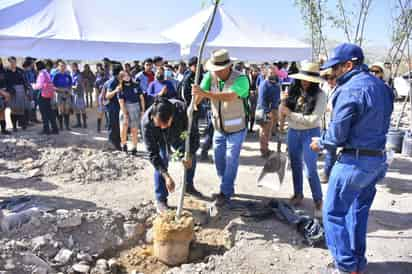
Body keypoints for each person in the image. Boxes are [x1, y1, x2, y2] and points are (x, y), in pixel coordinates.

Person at [311, 43, 394, 274]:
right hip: (377, 160)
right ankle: (357, 262)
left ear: (348, 65)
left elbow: (337, 135)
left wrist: (321, 142)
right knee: (357, 211)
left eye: (334, 68)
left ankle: (347, 267)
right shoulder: (383, 86)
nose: (331, 74)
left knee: (333, 213)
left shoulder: (349, 90)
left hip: (354, 162)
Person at [192, 49, 250, 206]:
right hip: (219, 128)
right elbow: (199, 95)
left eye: (219, 70)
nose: (215, 73)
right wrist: (194, 103)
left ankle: (225, 192)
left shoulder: (241, 79)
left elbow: (230, 96)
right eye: (214, 69)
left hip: (237, 129)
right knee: (218, 160)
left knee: (231, 159)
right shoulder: (210, 76)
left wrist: (206, 93)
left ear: (228, 67)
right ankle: (227, 183)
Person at [279, 62, 326, 214]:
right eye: (302, 78)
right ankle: (298, 194)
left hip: (311, 134)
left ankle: (318, 200)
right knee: (296, 165)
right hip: (293, 132)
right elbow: (283, 112)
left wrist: (290, 114)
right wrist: (283, 104)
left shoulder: (320, 95)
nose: (305, 82)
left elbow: (312, 119)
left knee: (310, 169)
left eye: (308, 79)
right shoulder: (292, 91)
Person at [142, 97, 200, 213]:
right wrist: (166, 176)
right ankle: (161, 199)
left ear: (172, 116)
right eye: (159, 124)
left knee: (190, 158)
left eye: (165, 124)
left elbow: (194, 136)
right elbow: (153, 154)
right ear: (153, 117)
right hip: (158, 139)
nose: (162, 127)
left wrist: (190, 153)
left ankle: (188, 186)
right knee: (162, 160)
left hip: (179, 134)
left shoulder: (182, 110)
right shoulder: (147, 124)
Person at [117, 71, 145, 154]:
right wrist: (125, 114)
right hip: (125, 108)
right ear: (121, 78)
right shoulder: (120, 88)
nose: (127, 77)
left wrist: (143, 110)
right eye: (124, 76)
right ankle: (124, 145)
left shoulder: (136, 85)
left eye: (127, 75)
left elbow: (142, 98)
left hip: (135, 107)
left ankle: (134, 147)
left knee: (134, 129)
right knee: (124, 128)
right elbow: (121, 102)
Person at [257, 66, 281, 157]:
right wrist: (267, 111)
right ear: (267, 73)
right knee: (264, 131)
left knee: (268, 131)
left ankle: (266, 148)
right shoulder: (264, 84)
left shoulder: (274, 83)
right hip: (265, 111)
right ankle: (264, 150)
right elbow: (262, 100)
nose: (272, 74)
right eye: (271, 72)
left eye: (274, 72)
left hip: (273, 110)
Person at [319, 68, 337, 184]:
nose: (329, 81)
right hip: (323, 122)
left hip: (333, 122)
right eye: (327, 78)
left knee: (331, 149)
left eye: (331, 78)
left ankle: (327, 173)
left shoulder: (341, 89)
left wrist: (330, 109)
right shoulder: (325, 87)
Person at [32, 60, 59, 135]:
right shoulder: (46, 72)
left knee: (44, 113)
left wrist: (33, 86)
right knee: (50, 113)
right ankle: (55, 129)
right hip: (49, 95)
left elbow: (39, 86)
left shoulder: (41, 74)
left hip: (43, 94)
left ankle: (46, 130)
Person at [5, 56, 31, 131]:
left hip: (21, 91)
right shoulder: (6, 71)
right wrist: (9, 90)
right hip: (11, 91)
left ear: (16, 62)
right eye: (11, 62)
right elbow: (5, 82)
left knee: (21, 109)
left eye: (14, 62)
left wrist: (27, 90)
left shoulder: (20, 70)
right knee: (13, 109)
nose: (13, 63)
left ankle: (23, 124)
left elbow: (24, 81)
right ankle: (14, 126)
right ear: (8, 62)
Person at [105, 65, 122, 150]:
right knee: (113, 127)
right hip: (112, 108)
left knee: (118, 127)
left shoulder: (119, 80)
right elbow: (107, 95)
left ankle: (117, 145)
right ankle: (112, 146)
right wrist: (116, 90)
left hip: (118, 107)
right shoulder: (112, 82)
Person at [52, 60, 72, 131]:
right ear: (58, 67)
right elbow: (52, 86)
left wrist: (69, 90)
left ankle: (67, 126)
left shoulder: (68, 75)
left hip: (67, 94)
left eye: (64, 66)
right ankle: (60, 126)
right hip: (59, 93)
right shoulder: (56, 75)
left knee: (67, 110)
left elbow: (70, 85)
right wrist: (60, 90)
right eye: (61, 66)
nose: (63, 67)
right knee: (60, 110)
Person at [71, 63, 87, 128]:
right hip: (75, 94)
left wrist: (69, 86)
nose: (72, 68)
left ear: (76, 67)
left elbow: (77, 86)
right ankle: (79, 123)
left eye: (73, 67)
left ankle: (84, 124)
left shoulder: (78, 75)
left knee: (82, 109)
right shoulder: (74, 75)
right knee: (77, 109)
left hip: (79, 94)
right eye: (72, 67)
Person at [0, 58, 11, 135]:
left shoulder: (3, 70)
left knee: (2, 112)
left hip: (4, 94)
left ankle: (3, 129)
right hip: (2, 93)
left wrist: (7, 93)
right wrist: (3, 93)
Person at [248, 66, 259, 132]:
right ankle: (247, 128)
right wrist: (249, 91)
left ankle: (251, 128)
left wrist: (256, 91)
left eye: (256, 71)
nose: (256, 73)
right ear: (251, 71)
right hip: (248, 96)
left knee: (253, 112)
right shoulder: (247, 77)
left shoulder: (258, 77)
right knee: (248, 111)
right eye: (254, 71)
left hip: (256, 96)